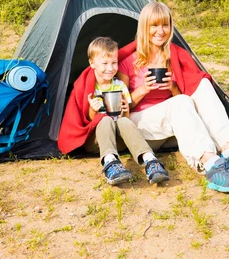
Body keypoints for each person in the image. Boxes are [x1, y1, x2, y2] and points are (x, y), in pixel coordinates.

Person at [116, 2, 229, 193]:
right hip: (140, 122)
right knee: (180, 103)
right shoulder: (128, 62)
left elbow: (185, 100)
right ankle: (211, 164)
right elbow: (121, 109)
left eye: (165, 25)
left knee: (202, 84)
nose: (161, 31)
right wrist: (144, 89)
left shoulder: (174, 56)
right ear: (144, 27)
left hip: (174, 119)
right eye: (154, 25)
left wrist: (173, 86)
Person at [58, 36, 170, 185]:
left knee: (123, 121)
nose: (110, 68)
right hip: (97, 140)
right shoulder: (90, 87)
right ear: (92, 63)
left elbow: (127, 119)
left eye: (114, 63)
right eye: (104, 63)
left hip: (118, 139)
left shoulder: (120, 86)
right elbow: (89, 121)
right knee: (104, 120)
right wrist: (92, 109)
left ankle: (150, 160)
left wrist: (125, 110)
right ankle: (110, 163)